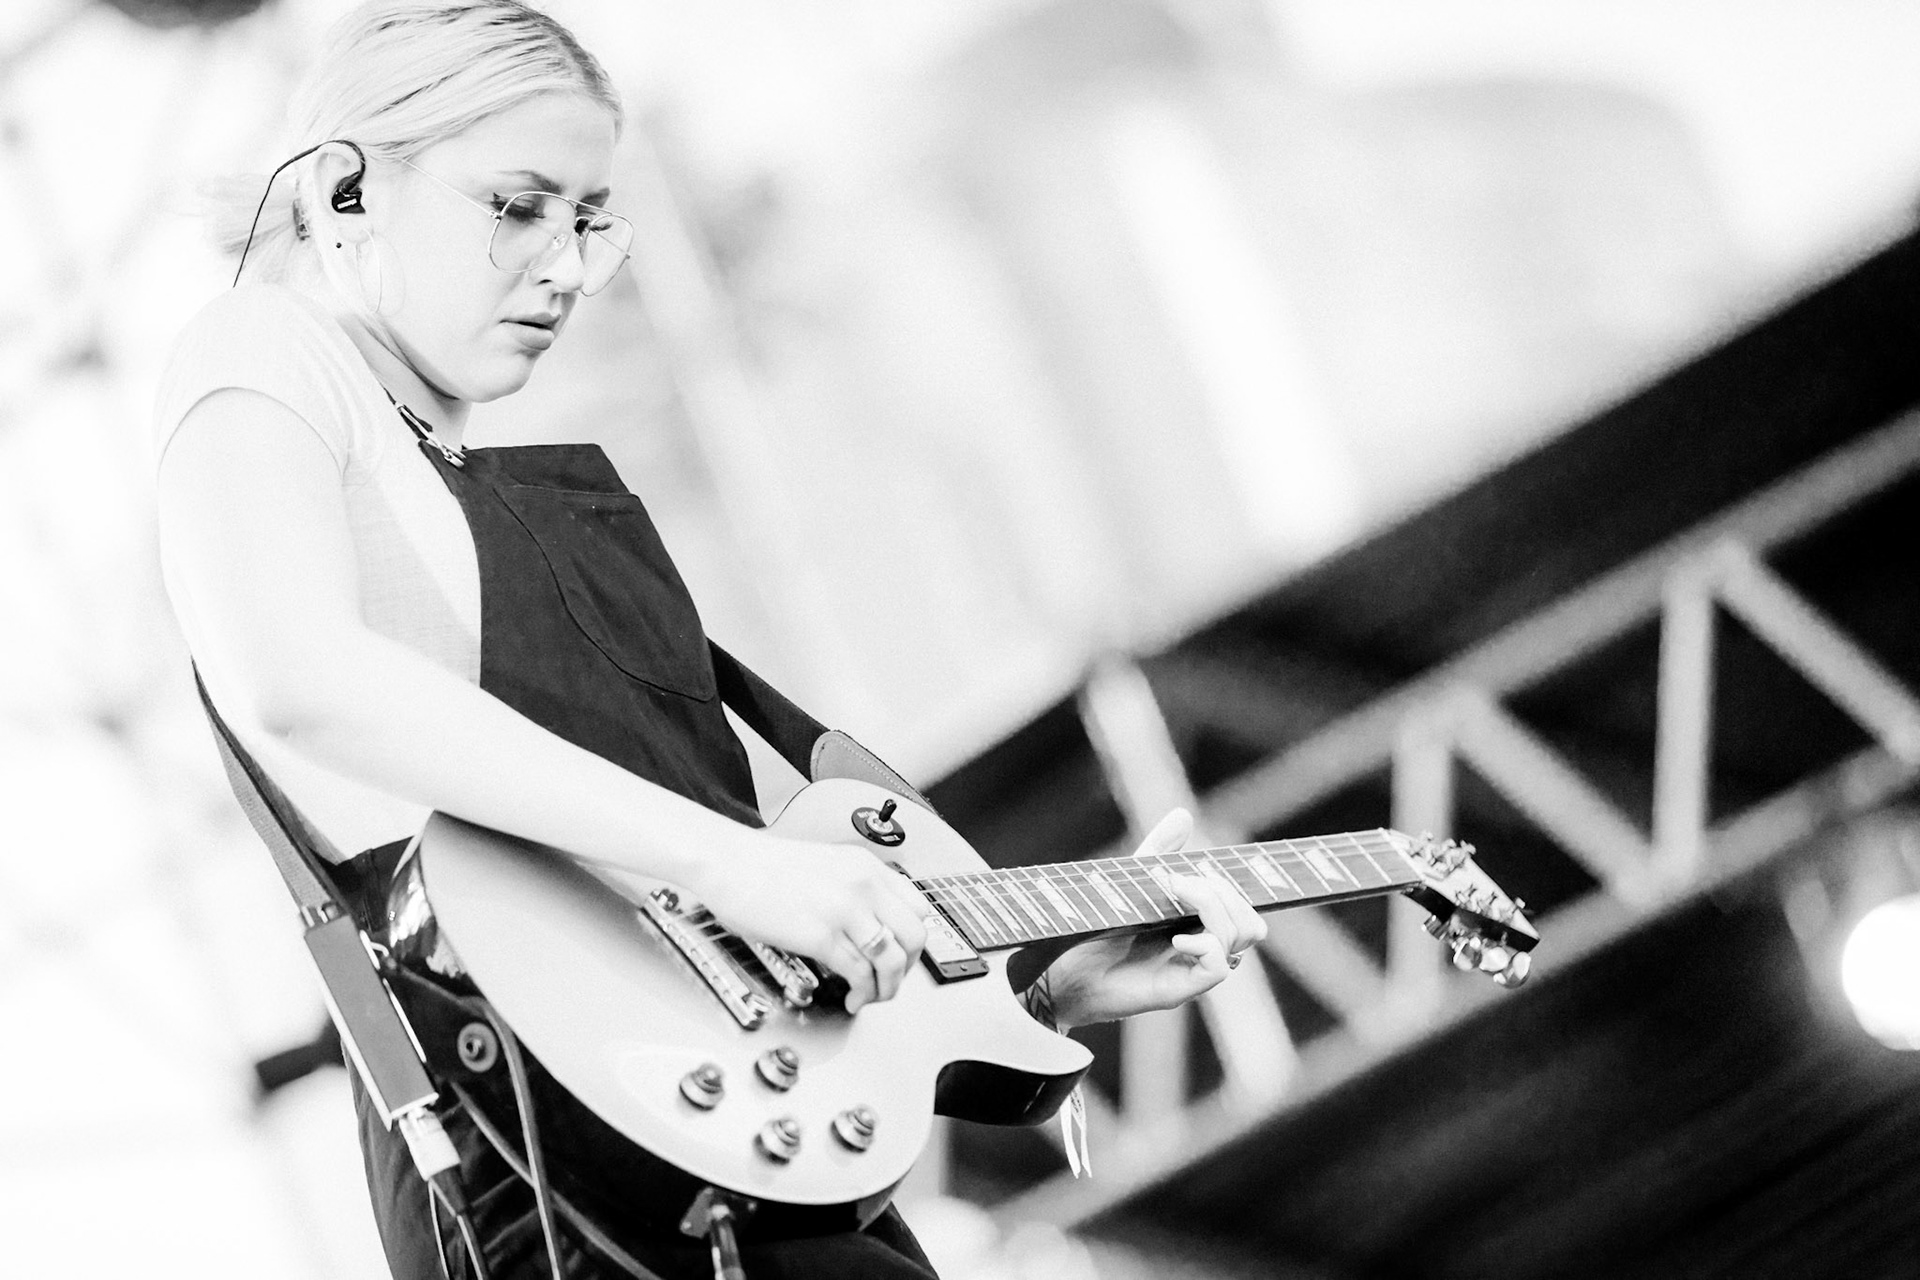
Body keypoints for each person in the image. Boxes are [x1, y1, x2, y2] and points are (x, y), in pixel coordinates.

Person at [152, 3, 1265, 1277]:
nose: (567, 266)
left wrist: (1029, 1000)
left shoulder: (470, 484)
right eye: (519, 205)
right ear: (344, 189)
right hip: (542, 1170)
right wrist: (737, 863)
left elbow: (684, 946)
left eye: (588, 220)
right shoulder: (260, 352)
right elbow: (294, 676)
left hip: (736, 1168)